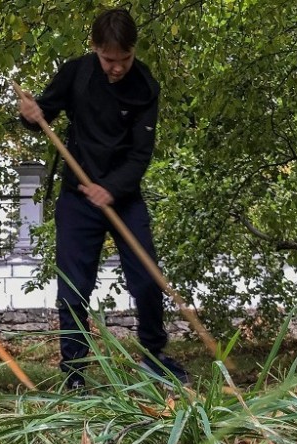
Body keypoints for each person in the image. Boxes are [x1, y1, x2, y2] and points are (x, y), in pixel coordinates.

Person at [17, 8, 189, 389]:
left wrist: (110, 188)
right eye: (110, 60)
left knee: (147, 278)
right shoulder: (76, 73)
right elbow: (41, 113)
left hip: (124, 198)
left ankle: (154, 356)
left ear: (133, 51)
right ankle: (75, 371)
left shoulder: (145, 86)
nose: (117, 68)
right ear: (96, 48)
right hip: (78, 198)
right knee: (74, 286)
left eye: (124, 59)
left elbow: (140, 154)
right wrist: (30, 114)